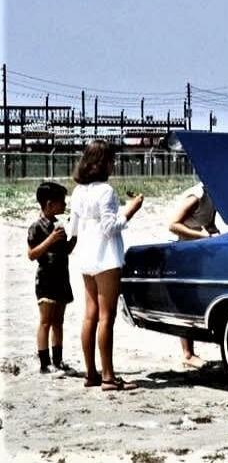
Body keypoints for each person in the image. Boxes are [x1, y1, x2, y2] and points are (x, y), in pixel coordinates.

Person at [65, 140, 144, 391]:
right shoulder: (106, 191)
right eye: (111, 159)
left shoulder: (78, 191)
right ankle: (108, 375)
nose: (114, 163)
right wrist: (131, 210)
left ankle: (91, 373)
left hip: (85, 256)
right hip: (106, 257)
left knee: (89, 315)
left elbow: (73, 229)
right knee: (105, 317)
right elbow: (110, 228)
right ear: (103, 162)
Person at [26, 182, 77, 374]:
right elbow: (32, 255)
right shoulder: (36, 227)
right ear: (49, 204)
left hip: (62, 278)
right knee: (46, 321)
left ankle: (58, 360)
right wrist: (50, 239)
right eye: (61, 202)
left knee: (59, 321)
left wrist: (75, 236)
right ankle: (44, 364)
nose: (64, 205)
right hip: (46, 280)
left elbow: (66, 250)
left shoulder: (59, 225)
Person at [167, 182, 218, 369]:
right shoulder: (196, 196)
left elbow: (208, 223)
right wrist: (202, 236)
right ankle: (187, 354)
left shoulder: (216, 195)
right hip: (185, 251)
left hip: (199, 251)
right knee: (187, 300)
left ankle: (191, 351)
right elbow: (173, 225)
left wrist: (216, 235)